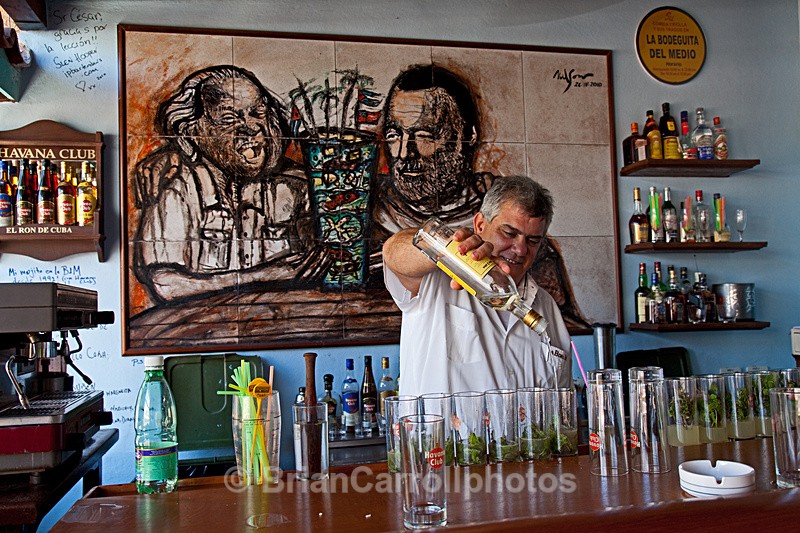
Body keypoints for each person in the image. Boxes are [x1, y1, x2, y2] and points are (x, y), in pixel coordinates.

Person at [132, 65, 322, 303]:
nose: (251, 127)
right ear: (192, 131)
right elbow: (166, 284)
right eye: (229, 118)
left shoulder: (296, 187)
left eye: (258, 113)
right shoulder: (177, 187)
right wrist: (262, 276)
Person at [382, 175, 573, 396]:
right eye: (509, 233)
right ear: (480, 224)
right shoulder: (435, 280)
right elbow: (393, 252)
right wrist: (448, 250)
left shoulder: (546, 307)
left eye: (532, 241)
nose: (520, 250)